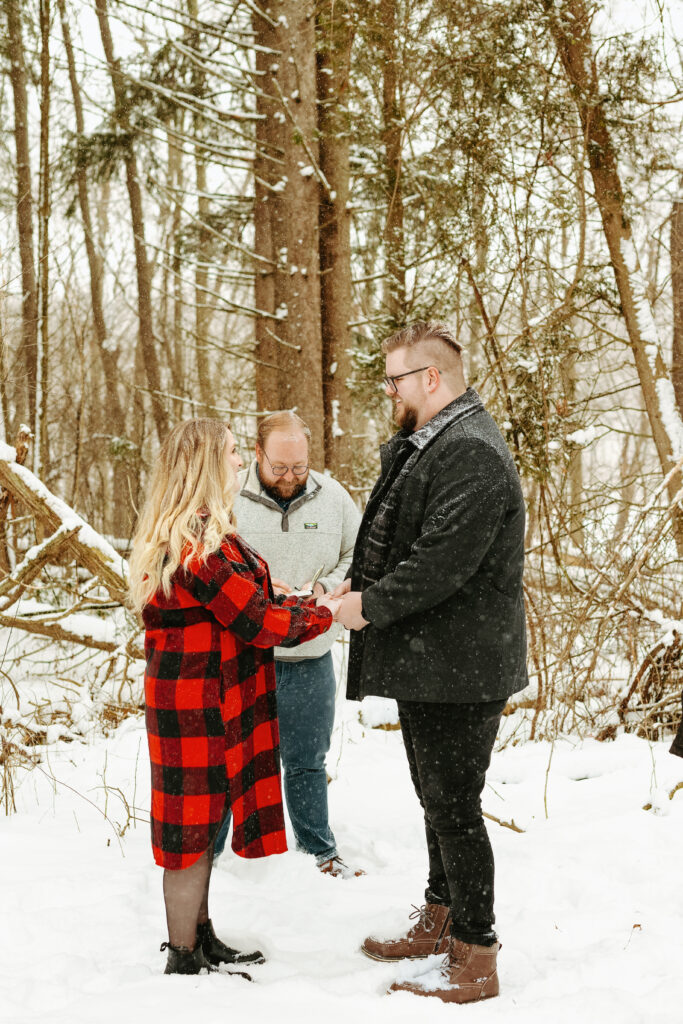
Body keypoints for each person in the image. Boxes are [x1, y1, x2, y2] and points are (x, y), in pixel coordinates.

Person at [332, 320, 528, 1004]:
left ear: (431, 380)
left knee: (454, 807)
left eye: (396, 380)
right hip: (436, 661)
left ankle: (476, 952)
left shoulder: (469, 450)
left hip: (462, 665)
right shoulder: (434, 442)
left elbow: (441, 562)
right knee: (436, 800)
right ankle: (440, 918)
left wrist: (369, 606)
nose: (389, 391)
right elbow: (403, 537)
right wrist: (354, 589)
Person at [128, 419, 338, 976]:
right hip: (193, 704)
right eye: (229, 454)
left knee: (205, 819)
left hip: (213, 698)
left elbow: (253, 598)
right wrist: (328, 613)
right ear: (202, 464)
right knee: (190, 830)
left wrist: (306, 601)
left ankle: (200, 934)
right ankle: (182, 955)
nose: (239, 463)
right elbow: (254, 618)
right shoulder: (193, 540)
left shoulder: (209, 531)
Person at [214, 411, 363, 878]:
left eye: (298, 468)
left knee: (306, 761)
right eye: (279, 468)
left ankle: (319, 851)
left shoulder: (333, 496)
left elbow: (359, 553)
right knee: (228, 761)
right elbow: (207, 557)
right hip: (245, 655)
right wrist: (256, 585)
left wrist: (327, 590)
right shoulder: (227, 496)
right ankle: (210, 860)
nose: (290, 478)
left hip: (309, 656)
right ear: (257, 454)